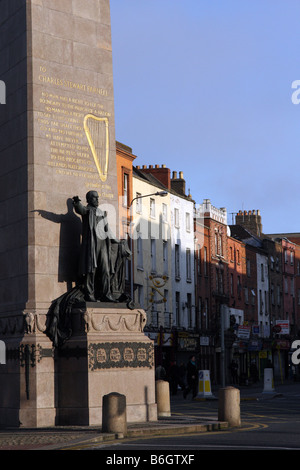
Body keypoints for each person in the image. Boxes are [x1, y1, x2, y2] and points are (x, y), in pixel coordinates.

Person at [73, 191, 130, 302]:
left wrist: (117, 241)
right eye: (95, 198)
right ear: (89, 199)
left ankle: (106, 294)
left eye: (98, 198)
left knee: (105, 270)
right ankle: (89, 294)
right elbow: (80, 210)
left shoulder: (101, 213)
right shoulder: (88, 211)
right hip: (92, 245)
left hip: (103, 245)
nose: (97, 200)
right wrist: (77, 202)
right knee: (91, 270)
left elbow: (107, 230)